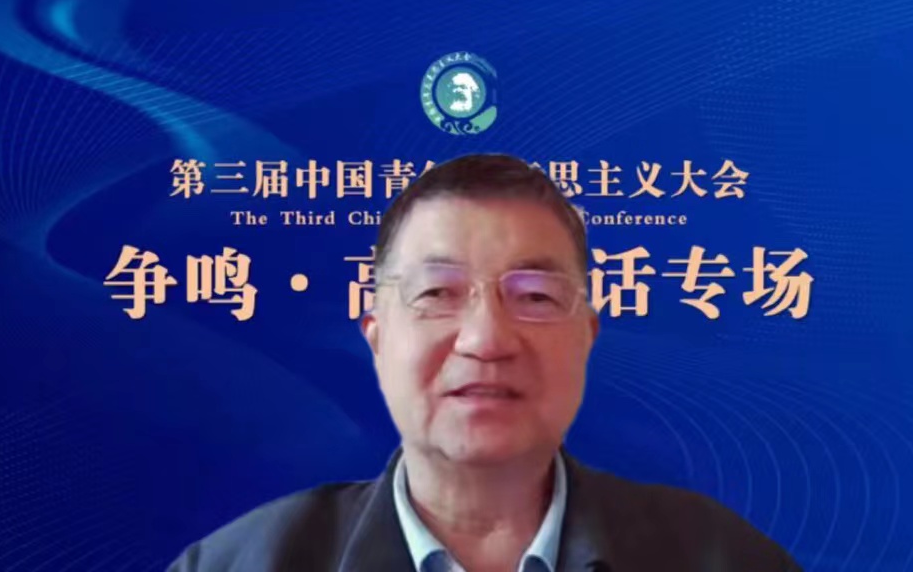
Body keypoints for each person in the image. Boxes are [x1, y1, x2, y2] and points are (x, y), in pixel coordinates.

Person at [167, 154, 802, 572]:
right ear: (376, 338)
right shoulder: (238, 564)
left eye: (535, 297)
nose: (485, 339)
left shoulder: (722, 559)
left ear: (587, 336)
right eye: (437, 293)